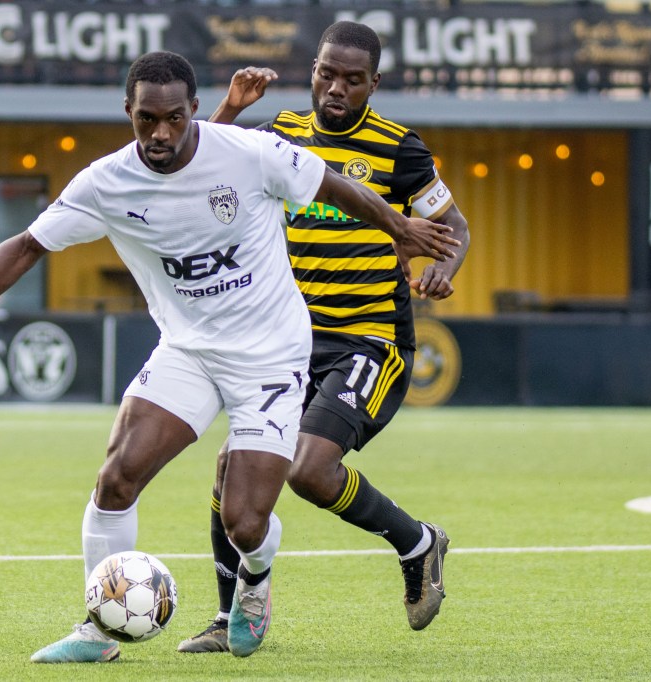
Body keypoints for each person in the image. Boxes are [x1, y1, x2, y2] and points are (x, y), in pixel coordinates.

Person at [0, 51, 459, 664]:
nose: (159, 134)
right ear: (128, 113)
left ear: (194, 110)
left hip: (271, 355)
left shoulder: (249, 153)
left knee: (246, 523)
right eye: (145, 120)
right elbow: (28, 245)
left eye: (172, 118)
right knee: (117, 476)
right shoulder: (105, 182)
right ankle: (98, 630)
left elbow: (332, 185)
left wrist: (399, 230)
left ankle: (254, 586)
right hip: (188, 350)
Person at [176, 22, 471, 654]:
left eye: (352, 79)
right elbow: (207, 161)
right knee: (232, 468)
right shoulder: (280, 133)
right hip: (286, 341)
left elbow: (453, 225)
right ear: (312, 70)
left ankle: (417, 543)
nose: (336, 88)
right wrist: (230, 106)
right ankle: (232, 621)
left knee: (309, 469)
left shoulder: (399, 149)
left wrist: (441, 267)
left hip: (370, 339)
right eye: (326, 73)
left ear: (374, 83)